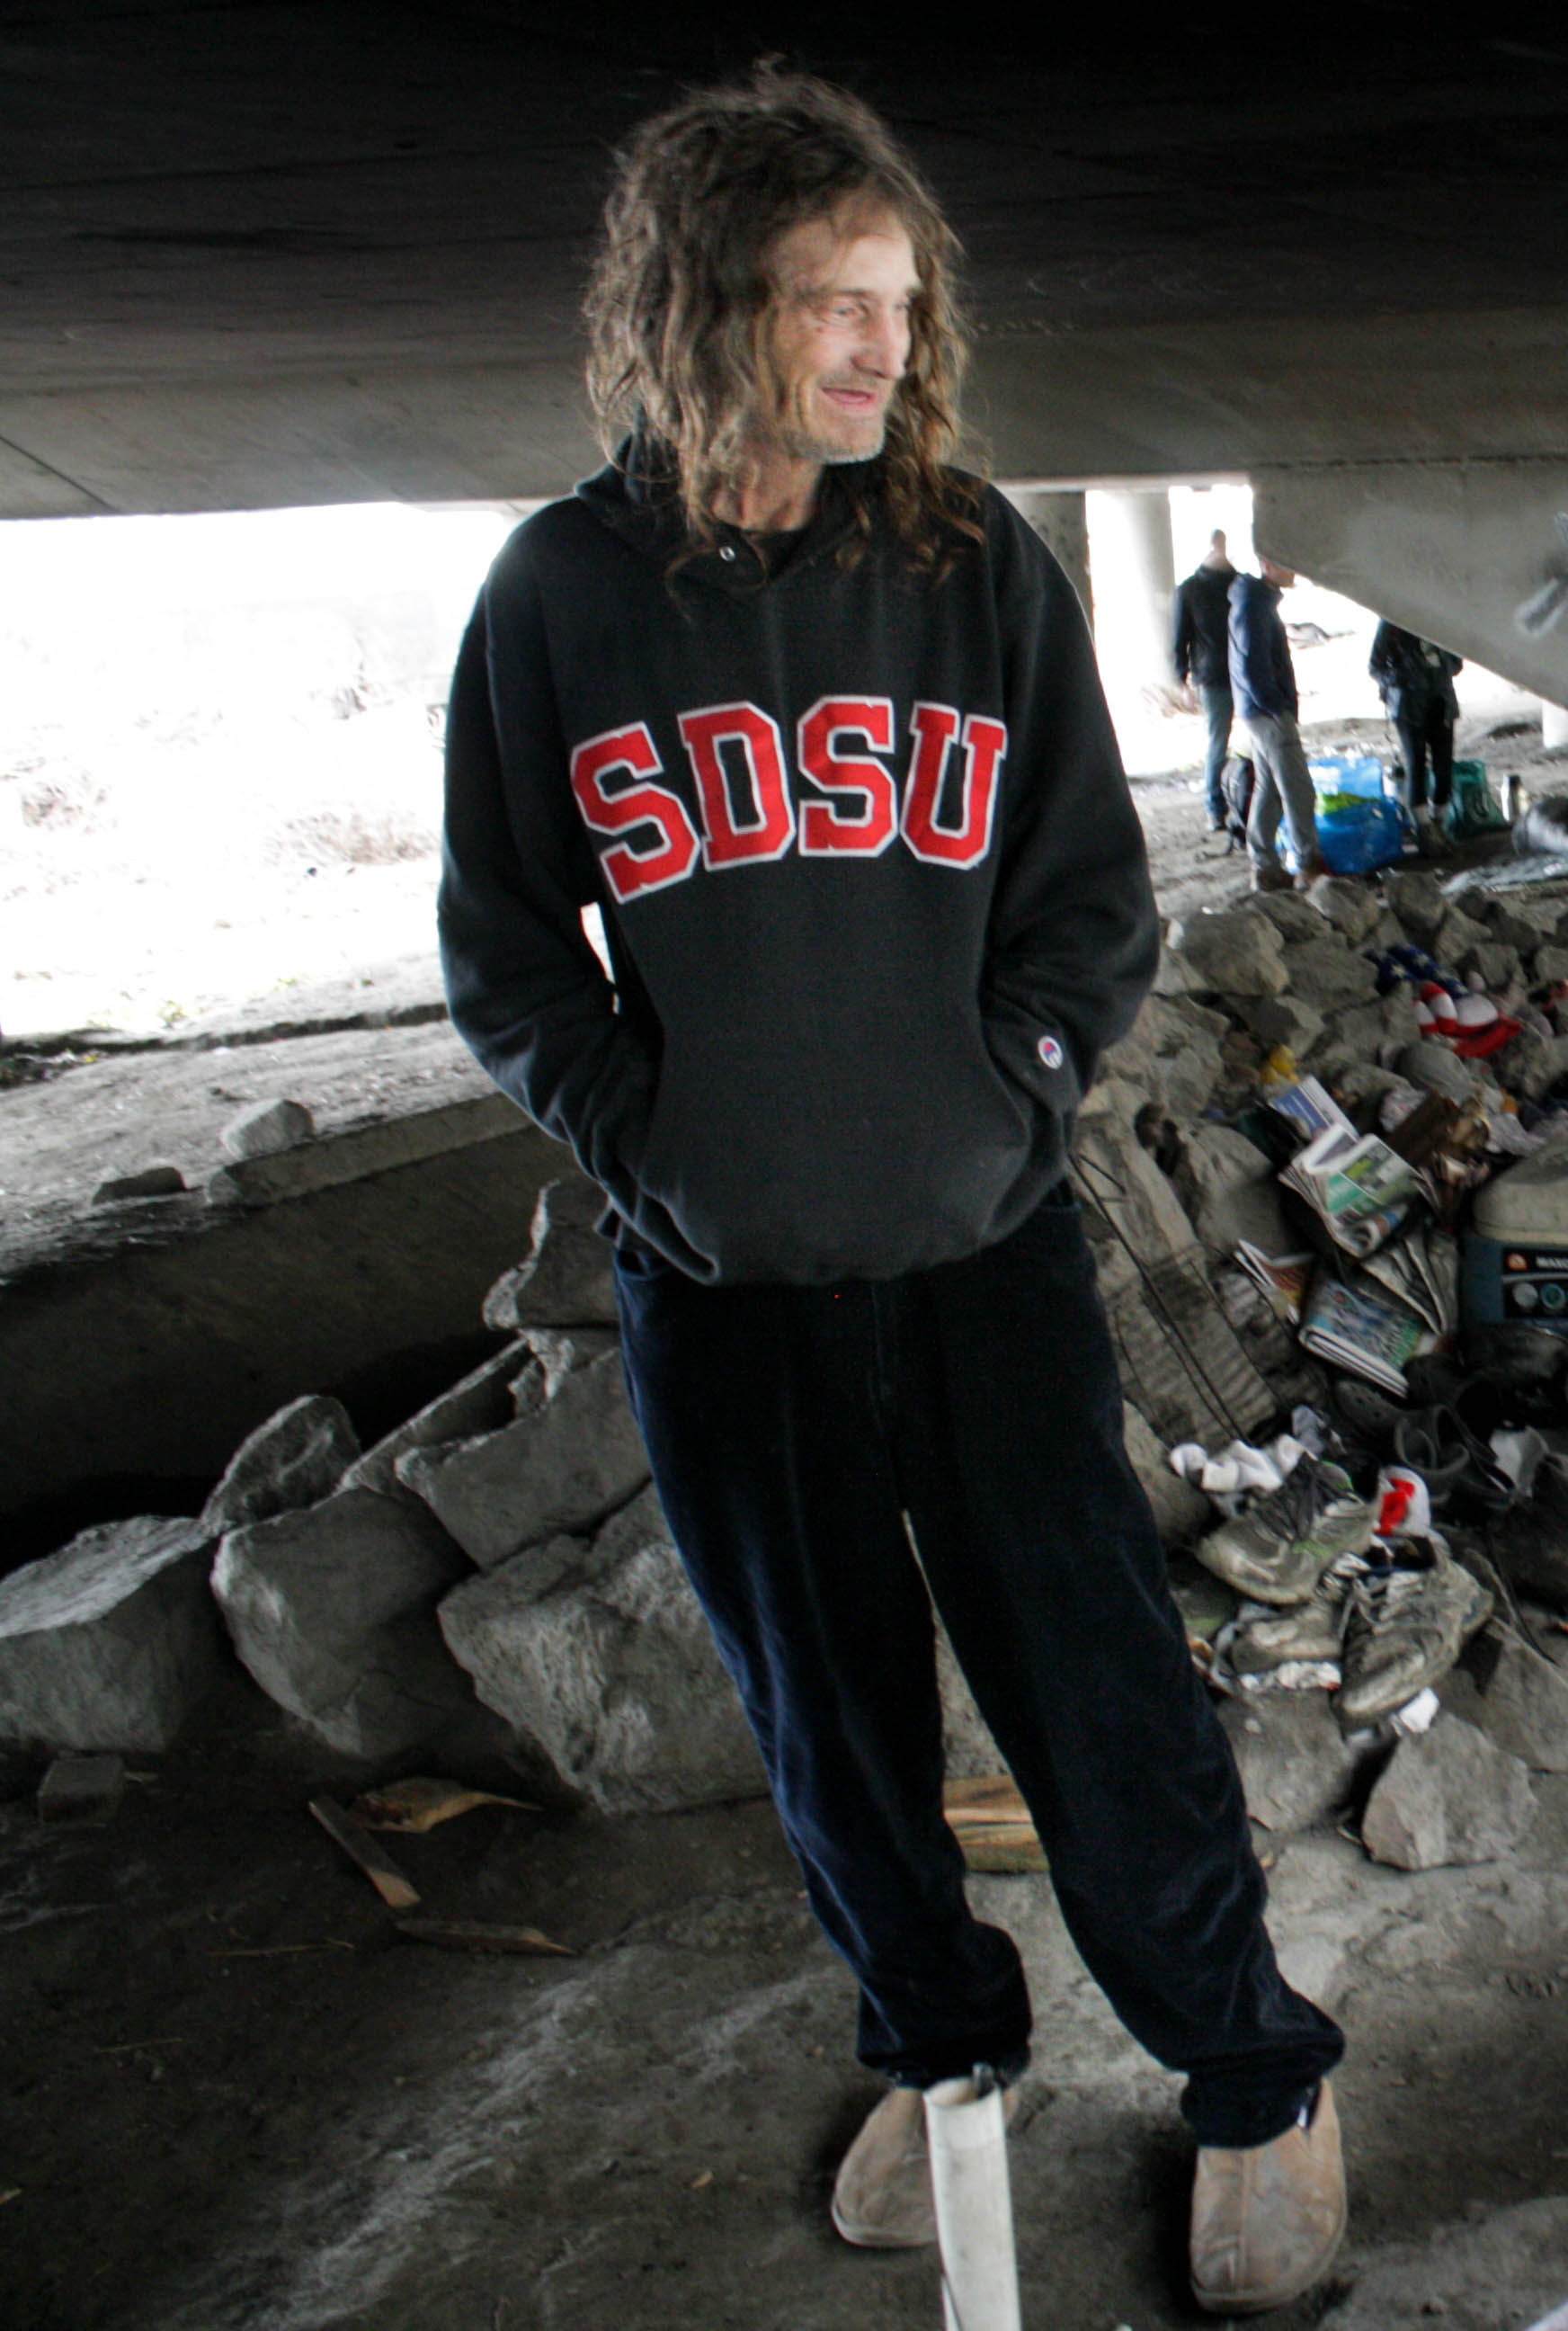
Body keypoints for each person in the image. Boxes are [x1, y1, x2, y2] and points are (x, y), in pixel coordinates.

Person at [432, 67, 1346, 2313]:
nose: (875, 350)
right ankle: (945, 2052)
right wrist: (651, 1146)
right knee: (819, 1708)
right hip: (718, 1280)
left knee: (1092, 1682)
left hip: (980, 1253)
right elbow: (500, 943)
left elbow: (1088, 902)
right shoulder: (558, 597)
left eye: (895, 307)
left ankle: (1252, 2078)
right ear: (694, 308)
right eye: (827, 305)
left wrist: (1013, 1099)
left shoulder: (968, 564)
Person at [1229, 552, 1330, 889]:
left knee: (1269, 789)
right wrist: (1276, 706)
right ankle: (1308, 865)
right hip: (1268, 714)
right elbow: (1251, 666)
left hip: (1258, 712)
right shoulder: (1254, 606)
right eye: (1288, 562)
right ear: (1267, 565)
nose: (1296, 569)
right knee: (1297, 789)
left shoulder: (1255, 602)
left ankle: (1265, 867)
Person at [1164, 527, 1240, 841]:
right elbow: (1179, 639)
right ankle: (1215, 808)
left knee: (1253, 743)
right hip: (1214, 678)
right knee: (1219, 743)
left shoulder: (1240, 585)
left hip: (1241, 674)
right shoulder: (1190, 591)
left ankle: (1244, 803)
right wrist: (1183, 680)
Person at [1365, 619, 1463, 843]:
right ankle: (1423, 828)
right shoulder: (1391, 622)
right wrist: (1405, 678)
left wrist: (1439, 666)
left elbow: (1457, 663)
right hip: (1409, 705)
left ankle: (1440, 823)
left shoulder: (1442, 621)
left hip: (1441, 699)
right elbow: (1375, 667)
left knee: (1444, 765)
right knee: (1416, 765)